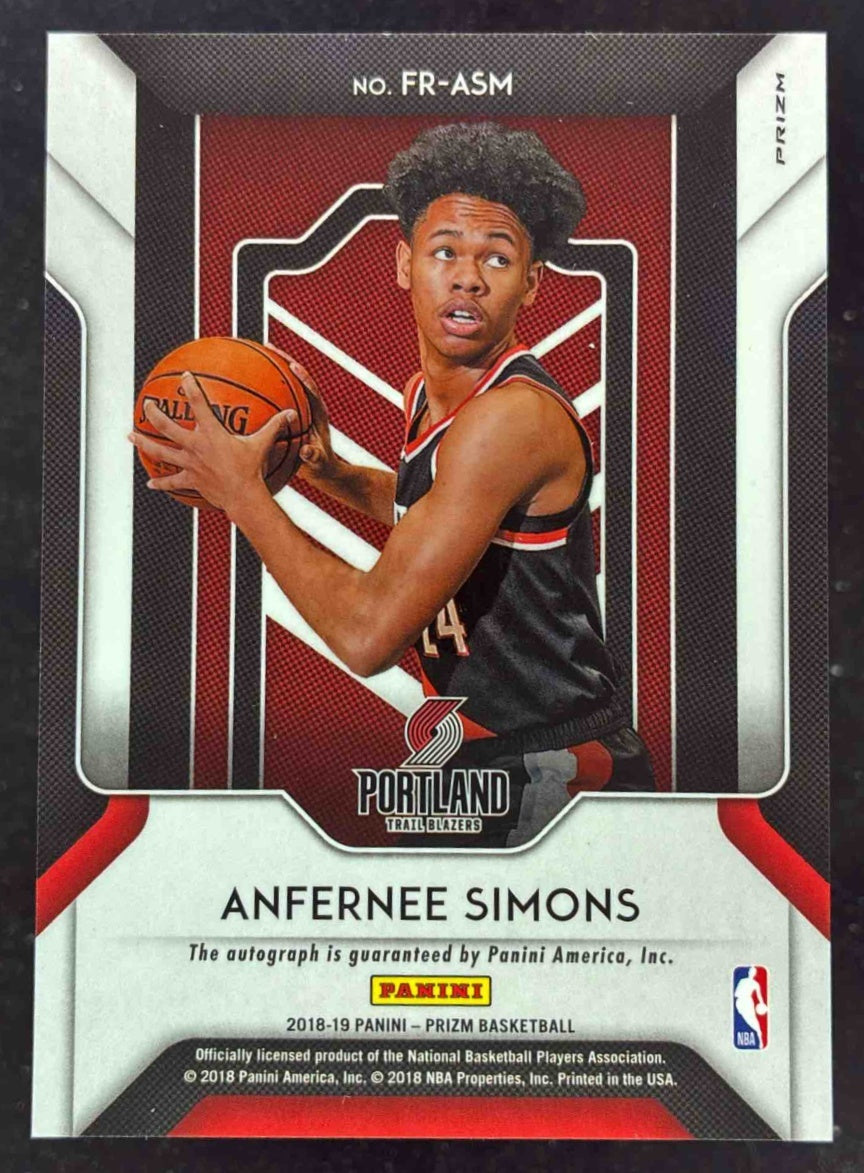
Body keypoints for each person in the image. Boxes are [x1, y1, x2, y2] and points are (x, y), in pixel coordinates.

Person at [131, 123, 655, 845]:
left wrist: (244, 494)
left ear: (532, 283)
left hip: (557, 764)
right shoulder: (429, 398)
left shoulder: (511, 420)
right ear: (406, 263)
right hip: (482, 751)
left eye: (497, 257)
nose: (468, 277)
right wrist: (331, 472)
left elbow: (366, 635)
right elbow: (440, 510)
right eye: (445, 251)